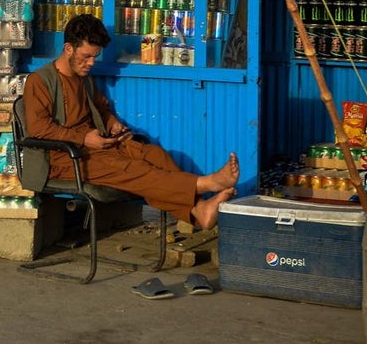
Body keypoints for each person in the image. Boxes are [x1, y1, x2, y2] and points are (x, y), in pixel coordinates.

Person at [23, 14, 239, 230]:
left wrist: (113, 125)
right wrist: (83, 138)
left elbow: (101, 109)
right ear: (68, 48)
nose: (91, 63)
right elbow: (38, 128)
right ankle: (203, 185)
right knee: (132, 169)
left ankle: (200, 210)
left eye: (95, 57)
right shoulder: (40, 81)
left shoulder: (84, 78)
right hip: (64, 159)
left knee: (154, 154)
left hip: (96, 148)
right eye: (86, 56)